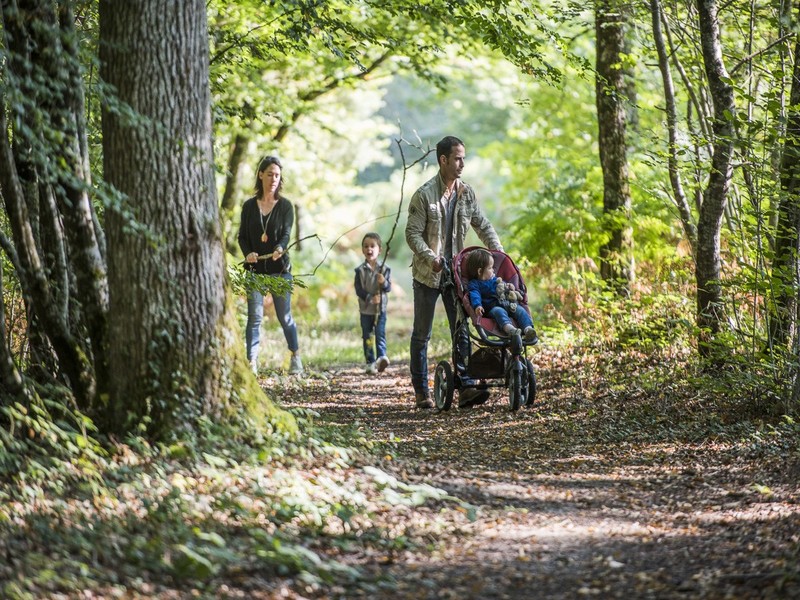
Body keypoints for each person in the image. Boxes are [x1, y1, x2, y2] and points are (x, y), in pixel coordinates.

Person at [405, 135, 503, 409]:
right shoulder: (424, 195)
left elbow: (482, 225)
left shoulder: (466, 193)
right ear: (443, 160)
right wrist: (430, 257)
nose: (462, 164)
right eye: (457, 158)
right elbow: (412, 234)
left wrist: (498, 252)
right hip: (428, 274)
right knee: (421, 334)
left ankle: (466, 388)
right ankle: (421, 392)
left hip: (457, 275)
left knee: (460, 329)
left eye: (464, 158)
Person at [238, 156, 303, 375]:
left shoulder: (285, 206)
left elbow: (286, 233)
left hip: (280, 270)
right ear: (260, 175)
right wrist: (248, 254)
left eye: (277, 174)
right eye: (269, 174)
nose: (274, 178)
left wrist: (280, 248)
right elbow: (242, 237)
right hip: (255, 271)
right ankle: (251, 362)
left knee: (285, 317)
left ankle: (295, 356)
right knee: (255, 317)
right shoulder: (248, 206)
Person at [466, 248, 538, 342]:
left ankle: (528, 329)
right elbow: (475, 295)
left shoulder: (495, 279)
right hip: (492, 308)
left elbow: (503, 286)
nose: (493, 270)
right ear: (480, 271)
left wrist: (509, 287)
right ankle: (510, 329)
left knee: (520, 311)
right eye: (490, 268)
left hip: (507, 304)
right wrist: (478, 306)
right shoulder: (475, 284)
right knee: (499, 312)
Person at [354, 232, 392, 374]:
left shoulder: (385, 269)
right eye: (366, 246)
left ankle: (381, 357)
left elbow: (388, 288)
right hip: (365, 310)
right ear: (362, 249)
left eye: (372, 246)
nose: (369, 249)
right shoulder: (360, 270)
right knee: (367, 335)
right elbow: (358, 290)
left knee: (380, 333)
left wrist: (383, 282)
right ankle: (370, 362)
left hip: (380, 309)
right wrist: (370, 298)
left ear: (379, 250)